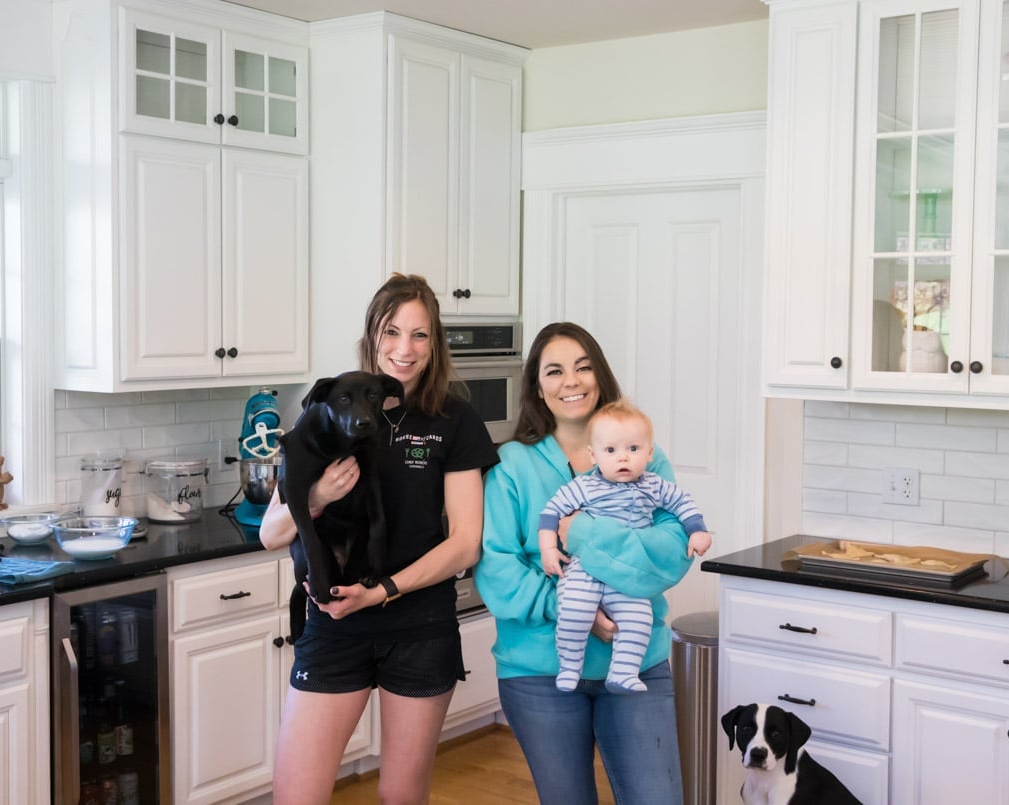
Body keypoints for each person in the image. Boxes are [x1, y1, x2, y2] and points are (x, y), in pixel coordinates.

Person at [260, 273, 498, 805]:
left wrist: (382, 589)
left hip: (418, 626)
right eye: (392, 332)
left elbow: (465, 543)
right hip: (333, 625)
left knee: (401, 795)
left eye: (420, 335)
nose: (404, 349)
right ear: (372, 334)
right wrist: (317, 496)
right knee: (296, 794)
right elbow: (270, 534)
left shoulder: (453, 421)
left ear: (434, 343)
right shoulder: (327, 410)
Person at [475, 322, 696, 804]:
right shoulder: (511, 464)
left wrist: (582, 533)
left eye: (583, 367)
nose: (570, 381)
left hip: (638, 660)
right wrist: (571, 606)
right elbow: (498, 571)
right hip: (538, 671)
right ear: (537, 385)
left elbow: (670, 557)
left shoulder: (642, 456)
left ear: (600, 375)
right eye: (554, 371)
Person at [538, 399, 712, 694]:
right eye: (611, 450)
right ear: (593, 456)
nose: (623, 458)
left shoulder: (654, 484)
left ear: (649, 453)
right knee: (573, 610)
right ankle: (570, 665)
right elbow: (551, 513)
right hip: (585, 568)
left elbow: (683, 503)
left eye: (633, 449)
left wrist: (698, 532)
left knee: (638, 618)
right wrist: (548, 550)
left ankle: (624, 672)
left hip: (626, 574)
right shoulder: (585, 486)